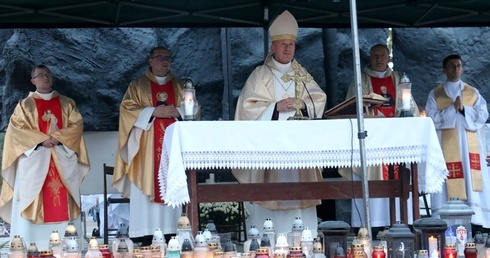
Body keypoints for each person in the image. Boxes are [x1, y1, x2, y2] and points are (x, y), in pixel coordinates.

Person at [233, 10, 327, 235]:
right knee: (271, 197)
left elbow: (318, 100)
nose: (287, 48)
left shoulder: (302, 74)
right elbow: (248, 108)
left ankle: (305, 238)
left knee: (300, 194)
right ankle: (270, 240)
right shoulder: (261, 74)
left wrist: (301, 105)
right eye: (282, 44)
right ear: (272, 47)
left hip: (299, 149)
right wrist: (276, 108)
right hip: (272, 150)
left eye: (291, 44)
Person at [113, 46, 199, 245]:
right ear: (150, 61)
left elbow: (194, 109)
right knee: (146, 189)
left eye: (168, 58)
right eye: (160, 58)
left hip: (173, 151)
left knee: (172, 184)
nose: (164, 61)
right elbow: (126, 110)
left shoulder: (181, 86)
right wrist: (152, 112)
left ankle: (172, 232)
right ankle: (144, 233)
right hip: (145, 152)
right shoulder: (137, 86)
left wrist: (177, 112)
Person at [0, 64, 90, 249]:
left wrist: (57, 138)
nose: (45, 78)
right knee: (32, 195)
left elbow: (76, 125)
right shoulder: (24, 105)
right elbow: (16, 131)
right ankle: (32, 242)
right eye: (40, 75)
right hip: (35, 160)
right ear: (33, 81)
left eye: (48, 74)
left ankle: (68, 244)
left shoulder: (67, 103)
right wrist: (41, 140)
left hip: (61, 158)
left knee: (61, 197)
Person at [341, 44, 420, 229]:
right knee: (371, 177)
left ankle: (400, 220)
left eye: (382, 55)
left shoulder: (399, 79)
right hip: (370, 140)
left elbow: (411, 108)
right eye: (375, 55)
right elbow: (351, 108)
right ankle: (373, 224)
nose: (378, 59)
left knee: (399, 176)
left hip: (396, 139)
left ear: (388, 58)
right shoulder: (360, 80)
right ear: (370, 57)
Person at [426, 54, 490, 228]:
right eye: (452, 66)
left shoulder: (472, 92)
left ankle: (476, 221)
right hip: (446, 146)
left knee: (471, 177)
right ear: (444, 70)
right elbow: (431, 118)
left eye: (459, 66)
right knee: (447, 175)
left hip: (469, 146)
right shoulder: (435, 94)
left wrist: (463, 110)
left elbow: (482, 115)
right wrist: (450, 110)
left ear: (462, 69)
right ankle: (444, 222)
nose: (456, 69)